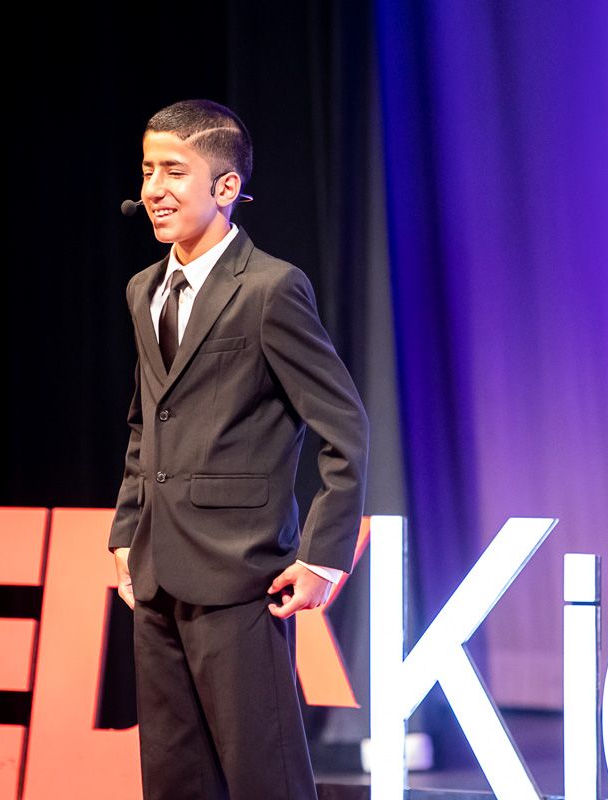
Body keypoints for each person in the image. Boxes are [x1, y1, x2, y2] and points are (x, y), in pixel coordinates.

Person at [109, 99, 369, 800]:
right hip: (158, 573)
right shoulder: (144, 292)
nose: (154, 189)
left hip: (241, 575)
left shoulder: (270, 289)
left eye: (173, 172)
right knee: (174, 779)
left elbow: (343, 425)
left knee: (267, 778)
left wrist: (320, 557)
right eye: (146, 171)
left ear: (226, 188)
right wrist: (126, 532)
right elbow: (146, 423)